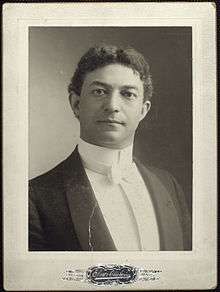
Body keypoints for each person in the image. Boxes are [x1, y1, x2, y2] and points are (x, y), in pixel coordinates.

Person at [29, 44, 191, 251]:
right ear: (76, 103)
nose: (113, 105)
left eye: (128, 94)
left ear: (143, 110)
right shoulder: (34, 198)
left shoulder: (169, 187)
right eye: (99, 91)